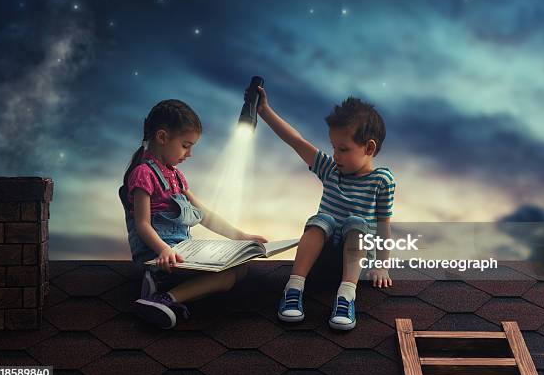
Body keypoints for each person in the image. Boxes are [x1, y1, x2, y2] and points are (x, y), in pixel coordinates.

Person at [119, 99, 266, 329]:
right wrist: (164, 250)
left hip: (182, 251)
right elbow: (143, 224)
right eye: (186, 145)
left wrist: (241, 236)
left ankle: (170, 296)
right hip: (161, 257)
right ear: (162, 137)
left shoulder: (176, 177)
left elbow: (204, 215)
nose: (189, 154)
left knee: (240, 268)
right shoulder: (143, 174)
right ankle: (161, 299)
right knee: (226, 278)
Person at [256, 87, 395, 330]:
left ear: (369, 148)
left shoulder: (382, 181)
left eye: (343, 149)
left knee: (356, 223)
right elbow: (296, 141)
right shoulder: (330, 169)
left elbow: (384, 225)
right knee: (322, 220)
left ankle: (346, 296)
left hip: (355, 261)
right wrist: (264, 111)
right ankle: (294, 287)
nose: (335, 155)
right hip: (324, 258)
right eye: (333, 147)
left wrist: (382, 265)